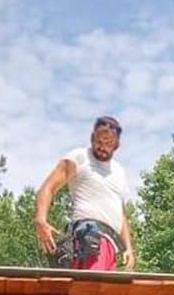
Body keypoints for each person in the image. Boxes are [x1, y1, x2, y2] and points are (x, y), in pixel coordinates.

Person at [35, 116, 135, 270]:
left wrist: (128, 248)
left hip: (112, 244)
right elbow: (48, 188)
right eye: (99, 141)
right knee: (91, 289)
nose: (102, 147)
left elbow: (121, 214)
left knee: (105, 291)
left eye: (108, 143)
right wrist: (41, 220)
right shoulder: (79, 157)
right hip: (90, 235)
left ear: (116, 145)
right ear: (92, 138)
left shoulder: (119, 171)